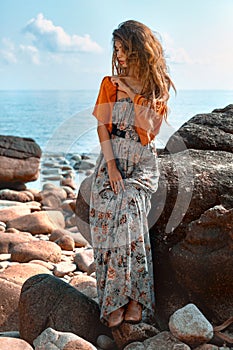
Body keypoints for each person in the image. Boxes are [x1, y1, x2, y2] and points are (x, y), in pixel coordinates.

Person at [89, 19, 175, 329]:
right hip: (111, 160)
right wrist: (110, 166)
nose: (120, 55)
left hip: (142, 164)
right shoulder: (108, 83)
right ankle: (114, 299)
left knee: (129, 213)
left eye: (125, 49)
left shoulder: (156, 86)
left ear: (140, 49)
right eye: (116, 49)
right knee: (103, 220)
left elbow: (146, 135)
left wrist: (131, 92)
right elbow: (102, 125)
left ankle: (134, 300)